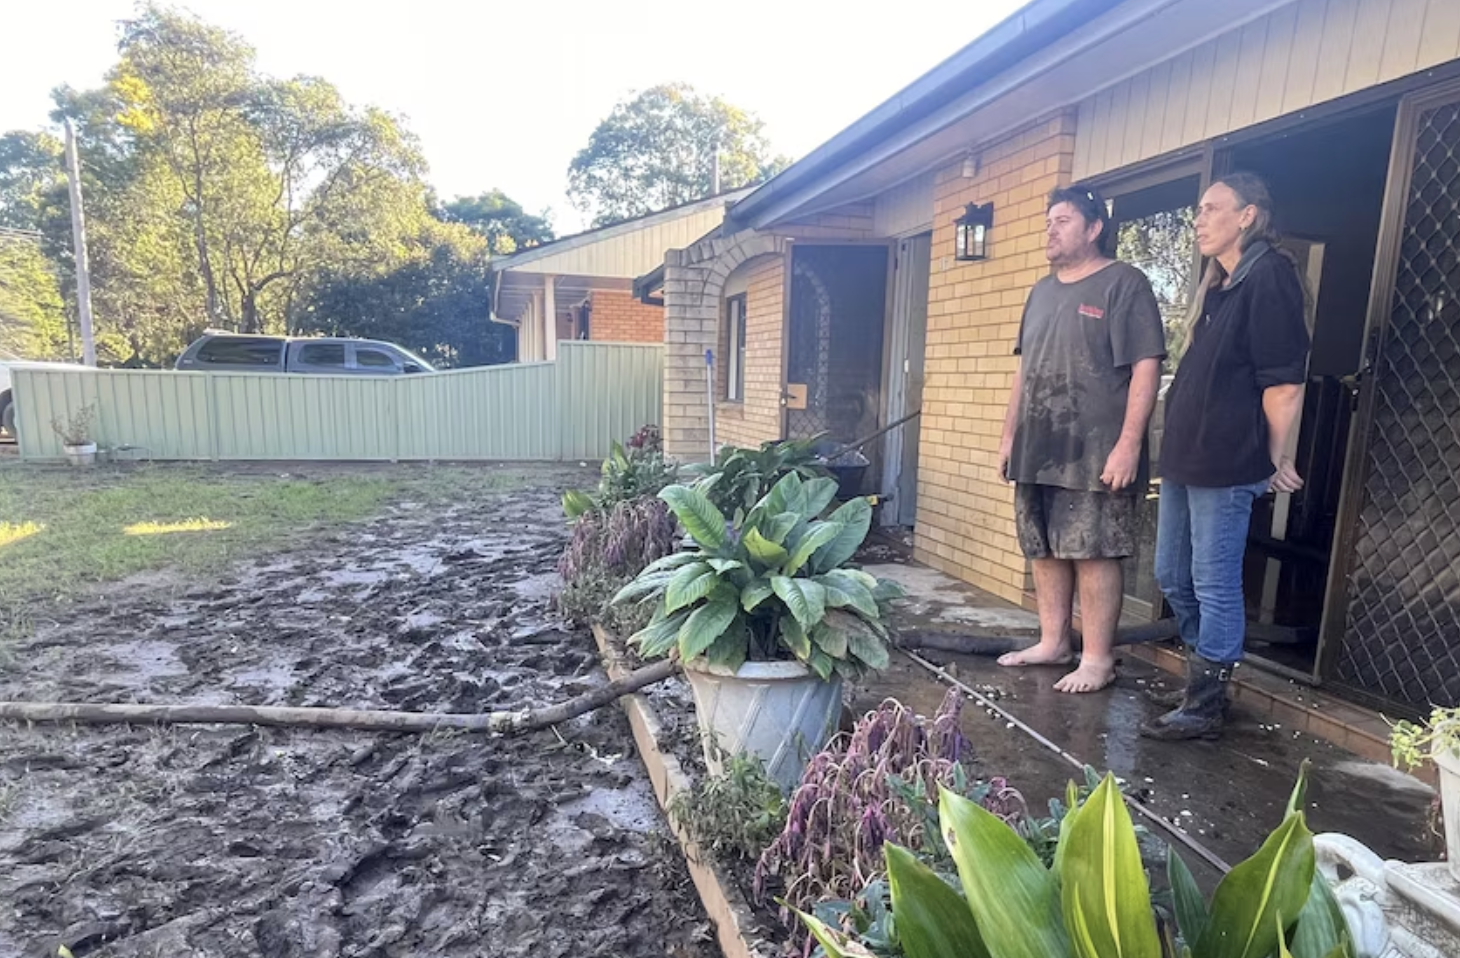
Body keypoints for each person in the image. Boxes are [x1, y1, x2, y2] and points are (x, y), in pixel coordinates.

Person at [1141, 171, 1310, 741]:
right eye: (1198, 210)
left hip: (1228, 460)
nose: (1199, 219)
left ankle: (1207, 702)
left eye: (1213, 208)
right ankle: (1200, 676)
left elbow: (1284, 383)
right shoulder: (1219, 286)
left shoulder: (1271, 278)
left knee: (1213, 581)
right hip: (1189, 458)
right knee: (1171, 573)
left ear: (1248, 215)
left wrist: (1272, 455)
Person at [997, 186, 1166, 693]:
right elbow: (1024, 370)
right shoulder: (1041, 291)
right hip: (1038, 444)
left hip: (1095, 448)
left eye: (1064, 220)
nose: (1051, 229)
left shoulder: (1125, 284)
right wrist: (1009, 435)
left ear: (1095, 229)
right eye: (1049, 220)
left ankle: (1097, 658)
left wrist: (1129, 443)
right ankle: (1053, 642)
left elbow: (1147, 365)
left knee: (1093, 551)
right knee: (1045, 548)